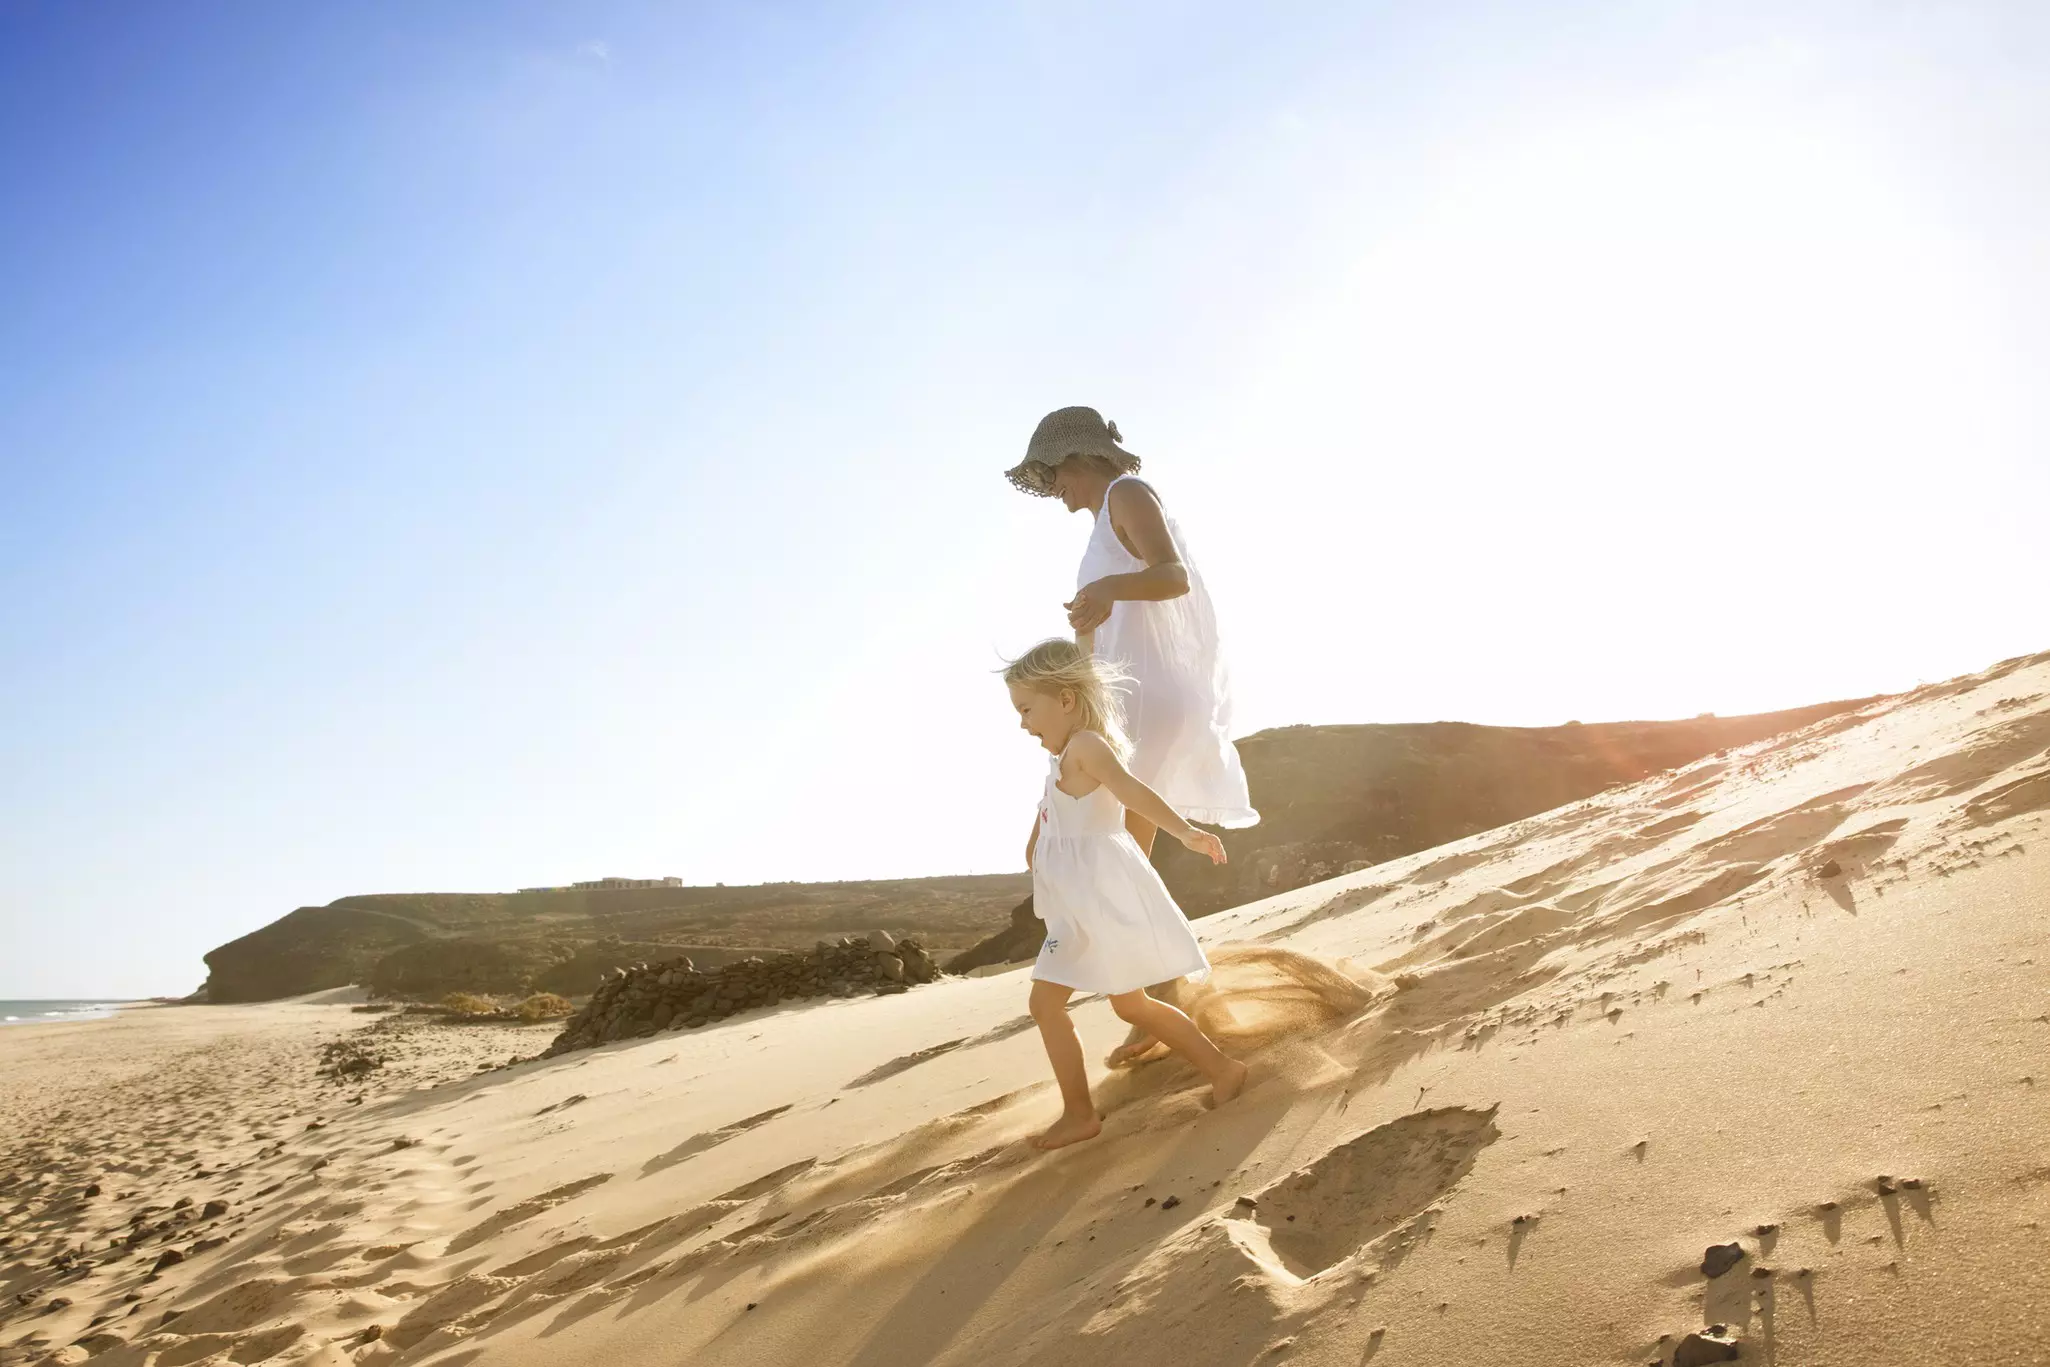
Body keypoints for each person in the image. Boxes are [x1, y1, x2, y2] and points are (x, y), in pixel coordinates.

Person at [1007, 405, 1259, 1064]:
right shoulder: (1101, 519)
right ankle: (1156, 1001)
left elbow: (1171, 573)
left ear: (1081, 457)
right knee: (1124, 858)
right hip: (1131, 701)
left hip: (1151, 698)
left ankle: (1154, 1006)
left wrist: (1111, 588)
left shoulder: (1128, 493)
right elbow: (1108, 622)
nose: (1050, 486)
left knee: (1119, 857)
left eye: (1052, 471)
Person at [1003, 638, 1249, 1151]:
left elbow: (1133, 792)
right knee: (1130, 1007)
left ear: (1066, 701)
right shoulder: (1061, 759)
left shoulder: (1088, 747)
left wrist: (1186, 833)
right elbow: (1054, 824)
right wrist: (1037, 845)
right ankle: (1222, 1069)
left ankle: (1079, 1114)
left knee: (1046, 1004)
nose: (1023, 724)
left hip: (1096, 904)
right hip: (1078, 909)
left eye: (1027, 709)